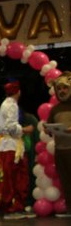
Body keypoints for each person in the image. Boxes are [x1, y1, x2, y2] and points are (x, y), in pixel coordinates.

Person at [0, 80, 32, 219]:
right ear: (18, 92)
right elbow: (11, 127)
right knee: (16, 177)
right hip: (11, 145)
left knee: (13, 177)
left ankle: (14, 206)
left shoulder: (7, 104)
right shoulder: (11, 105)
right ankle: (13, 208)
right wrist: (25, 129)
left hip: (10, 145)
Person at [47, 72, 71, 217]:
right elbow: (50, 127)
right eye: (59, 89)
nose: (62, 91)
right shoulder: (55, 109)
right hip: (60, 150)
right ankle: (70, 208)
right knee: (66, 182)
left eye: (65, 88)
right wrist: (48, 129)